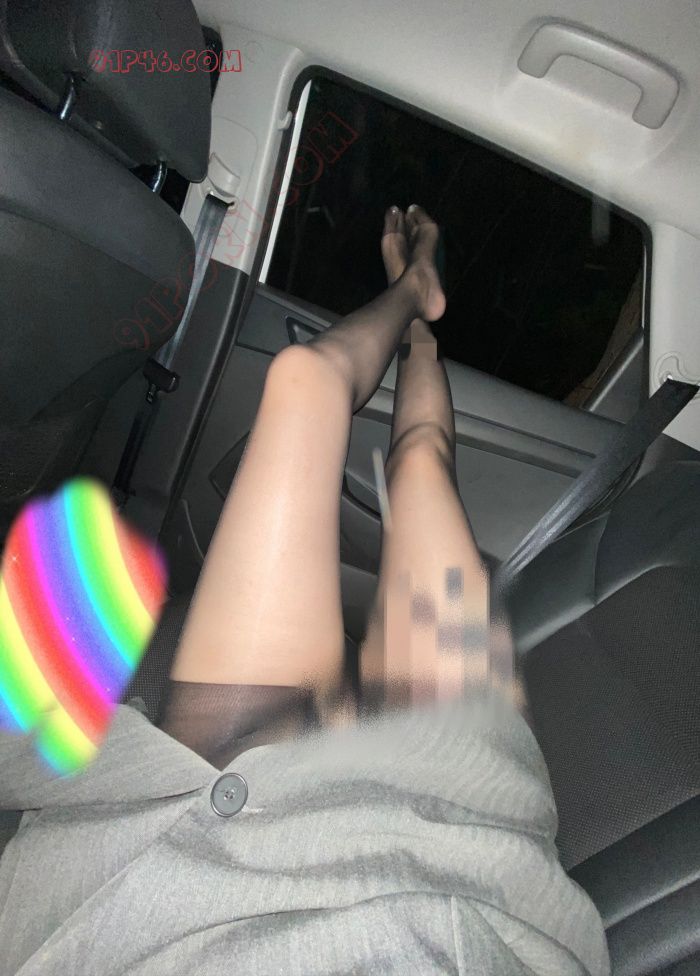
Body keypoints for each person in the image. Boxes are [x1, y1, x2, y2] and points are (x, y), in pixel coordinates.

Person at [0, 206, 609, 975]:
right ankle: (418, 303)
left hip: (189, 834)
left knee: (317, 389)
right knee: (392, 441)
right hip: (462, 832)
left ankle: (418, 299)